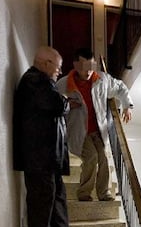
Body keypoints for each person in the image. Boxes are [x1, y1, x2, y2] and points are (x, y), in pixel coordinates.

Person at [13, 46, 81, 227]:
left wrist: (63, 102)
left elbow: (56, 104)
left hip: (50, 156)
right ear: (45, 63)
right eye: (58, 67)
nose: (60, 72)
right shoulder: (35, 80)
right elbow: (57, 105)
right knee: (42, 197)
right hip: (39, 155)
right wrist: (65, 103)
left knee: (56, 195)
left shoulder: (42, 82)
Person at [57, 48, 134, 202]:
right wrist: (65, 104)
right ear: (76, 65)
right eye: (84, 67)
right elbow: (53, 100)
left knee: (104, 158)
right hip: (79, 131)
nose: (88, 72)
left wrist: (127, 105)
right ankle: (84, 193)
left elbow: (119, 87)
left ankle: (103, 192)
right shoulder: (64, 83)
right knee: (91, 157)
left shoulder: (102, 80)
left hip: (98, 130)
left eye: (90, 67)